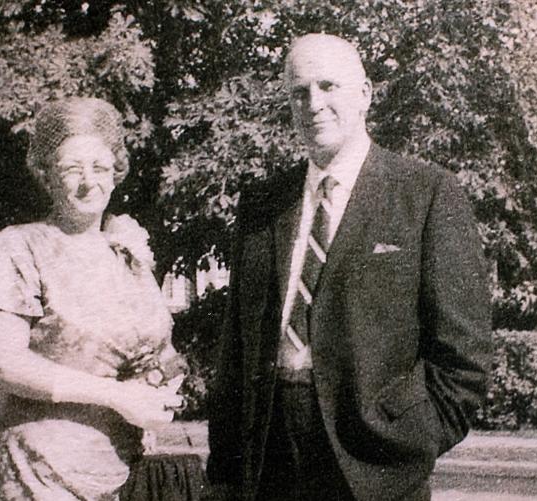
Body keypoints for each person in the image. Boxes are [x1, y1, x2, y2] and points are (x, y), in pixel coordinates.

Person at [206, 33, 493, 501]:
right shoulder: (261, 205)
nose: (313, 103)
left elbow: (464, 356)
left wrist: (412, 441)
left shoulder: (426, 194)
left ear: (365, 94)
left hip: (375, 467)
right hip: (266, 463)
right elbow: (234, 355)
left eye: (328, 86)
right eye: (299, 92)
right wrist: (223, 473)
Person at [0, 97, 185, 500]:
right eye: (72, 168)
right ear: (46, 174)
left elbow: (158, 349)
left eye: (100, 167)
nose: (89, 181)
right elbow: (3, 362)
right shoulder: (18, 248)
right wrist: (118, 396)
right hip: (41, 472)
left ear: (116, 171)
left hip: (125, 470)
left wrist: (164, 384)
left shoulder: (125, 251)